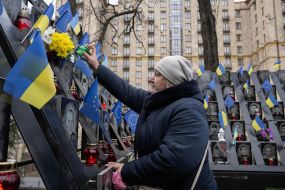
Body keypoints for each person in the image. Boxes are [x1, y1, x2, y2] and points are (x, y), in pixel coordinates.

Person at [84, 45, 218, 190]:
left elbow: (172, 160)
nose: (151, 78)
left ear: (171, 80)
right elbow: (126, 91)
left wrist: (127, 171)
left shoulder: (189, 110)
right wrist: (97, 67)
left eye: (158, 74)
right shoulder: (159, 101)